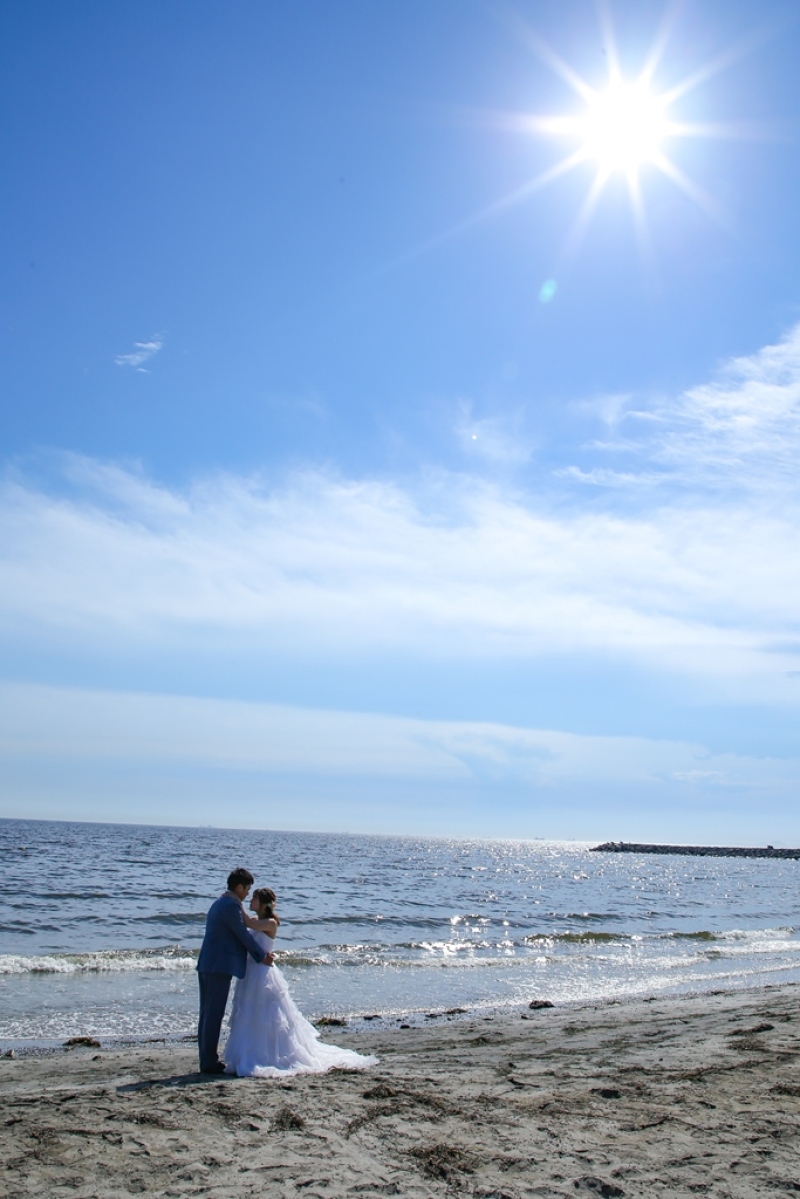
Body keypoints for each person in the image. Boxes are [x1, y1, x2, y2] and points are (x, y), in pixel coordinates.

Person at [223, 886, 378, 1078]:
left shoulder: (270, 923)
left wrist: (235, 899)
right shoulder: (258, 920)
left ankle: (268, 1053)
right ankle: (249, 1050)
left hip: (262, 973)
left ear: (262, 904)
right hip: (252, 970)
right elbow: (247, 927)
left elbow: (247, 922)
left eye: (254, 898)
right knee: (250, 1012)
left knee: (267, 1014)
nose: (250, 901)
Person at [196, 868, 274, 1074]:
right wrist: (261, 956)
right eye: (247, 889)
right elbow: (243, 935)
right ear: (239, 887)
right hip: (218, 966)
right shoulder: (230, 906)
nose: (247, 894)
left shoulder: (220, 902)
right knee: (213, 1014)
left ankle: (206, 1058)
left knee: (206, 1013)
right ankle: (208, 1061)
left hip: (207, 963)